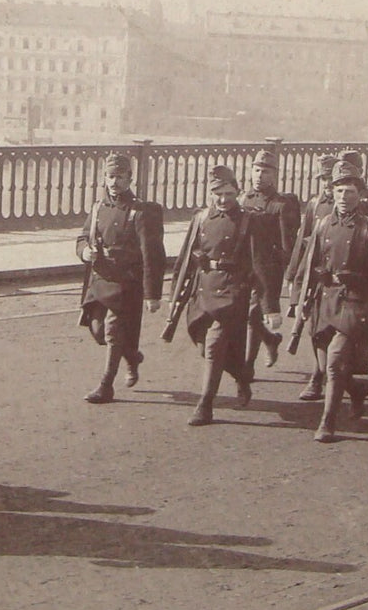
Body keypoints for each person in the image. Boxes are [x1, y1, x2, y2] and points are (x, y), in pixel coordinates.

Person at [293, 160, 368, 442]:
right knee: (331, 364)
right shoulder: (322, 224)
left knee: (334, 362)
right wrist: (298, 299)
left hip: (354, 301)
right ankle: (356, 390)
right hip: (324, 299)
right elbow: (307, 266)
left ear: (360, 194)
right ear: (332, 192)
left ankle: (327, 423)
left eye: (350, 191)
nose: (344, 197)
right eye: (339, 191)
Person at [170, 165, 274, 426]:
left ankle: (205, 404)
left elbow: (261, 266)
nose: (223, 199)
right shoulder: (202, 218)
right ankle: (241, 375)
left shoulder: (250, 221)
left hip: (232, 291)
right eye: (217, 193)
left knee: (215, 345)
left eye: (228, 193)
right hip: (203, 289)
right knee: (207, 347)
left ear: (238, 192)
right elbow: (185, 258)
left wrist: (270, 306)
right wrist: (174, 293)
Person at [77, 153, 165, 404]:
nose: (114, 182)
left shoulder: (140, 211)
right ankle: (132, 356)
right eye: (110, 177)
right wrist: (85, 251)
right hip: (101, 279)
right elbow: (83, 237)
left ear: (130, 179)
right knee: (97, 331)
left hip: (126, 282)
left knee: (113, 332)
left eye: (119, 177)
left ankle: (106, 386)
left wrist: (152, 294)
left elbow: (152, 256)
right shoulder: (97, 208)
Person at [239, 150, 299, 375]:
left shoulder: (283, 204)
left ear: (274, 175)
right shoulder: (245, 199)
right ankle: (270, 340)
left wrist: (285, 274)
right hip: (245, 266)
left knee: (253, 313)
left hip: (268, 270)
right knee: (247, 314)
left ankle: (248, 365)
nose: (259, 175)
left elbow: (287, 244)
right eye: (256, 170)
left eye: (265, 171)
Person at [288, 154, 339, 401]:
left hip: (338, 276)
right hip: (315, 273)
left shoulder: (352, 204)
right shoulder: (315, 204)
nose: (327, 184)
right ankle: (318, 376)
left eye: (330, 178)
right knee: (314, 326)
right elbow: (303, 240)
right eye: (323, 179)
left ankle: (333, 377)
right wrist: (294, 275)